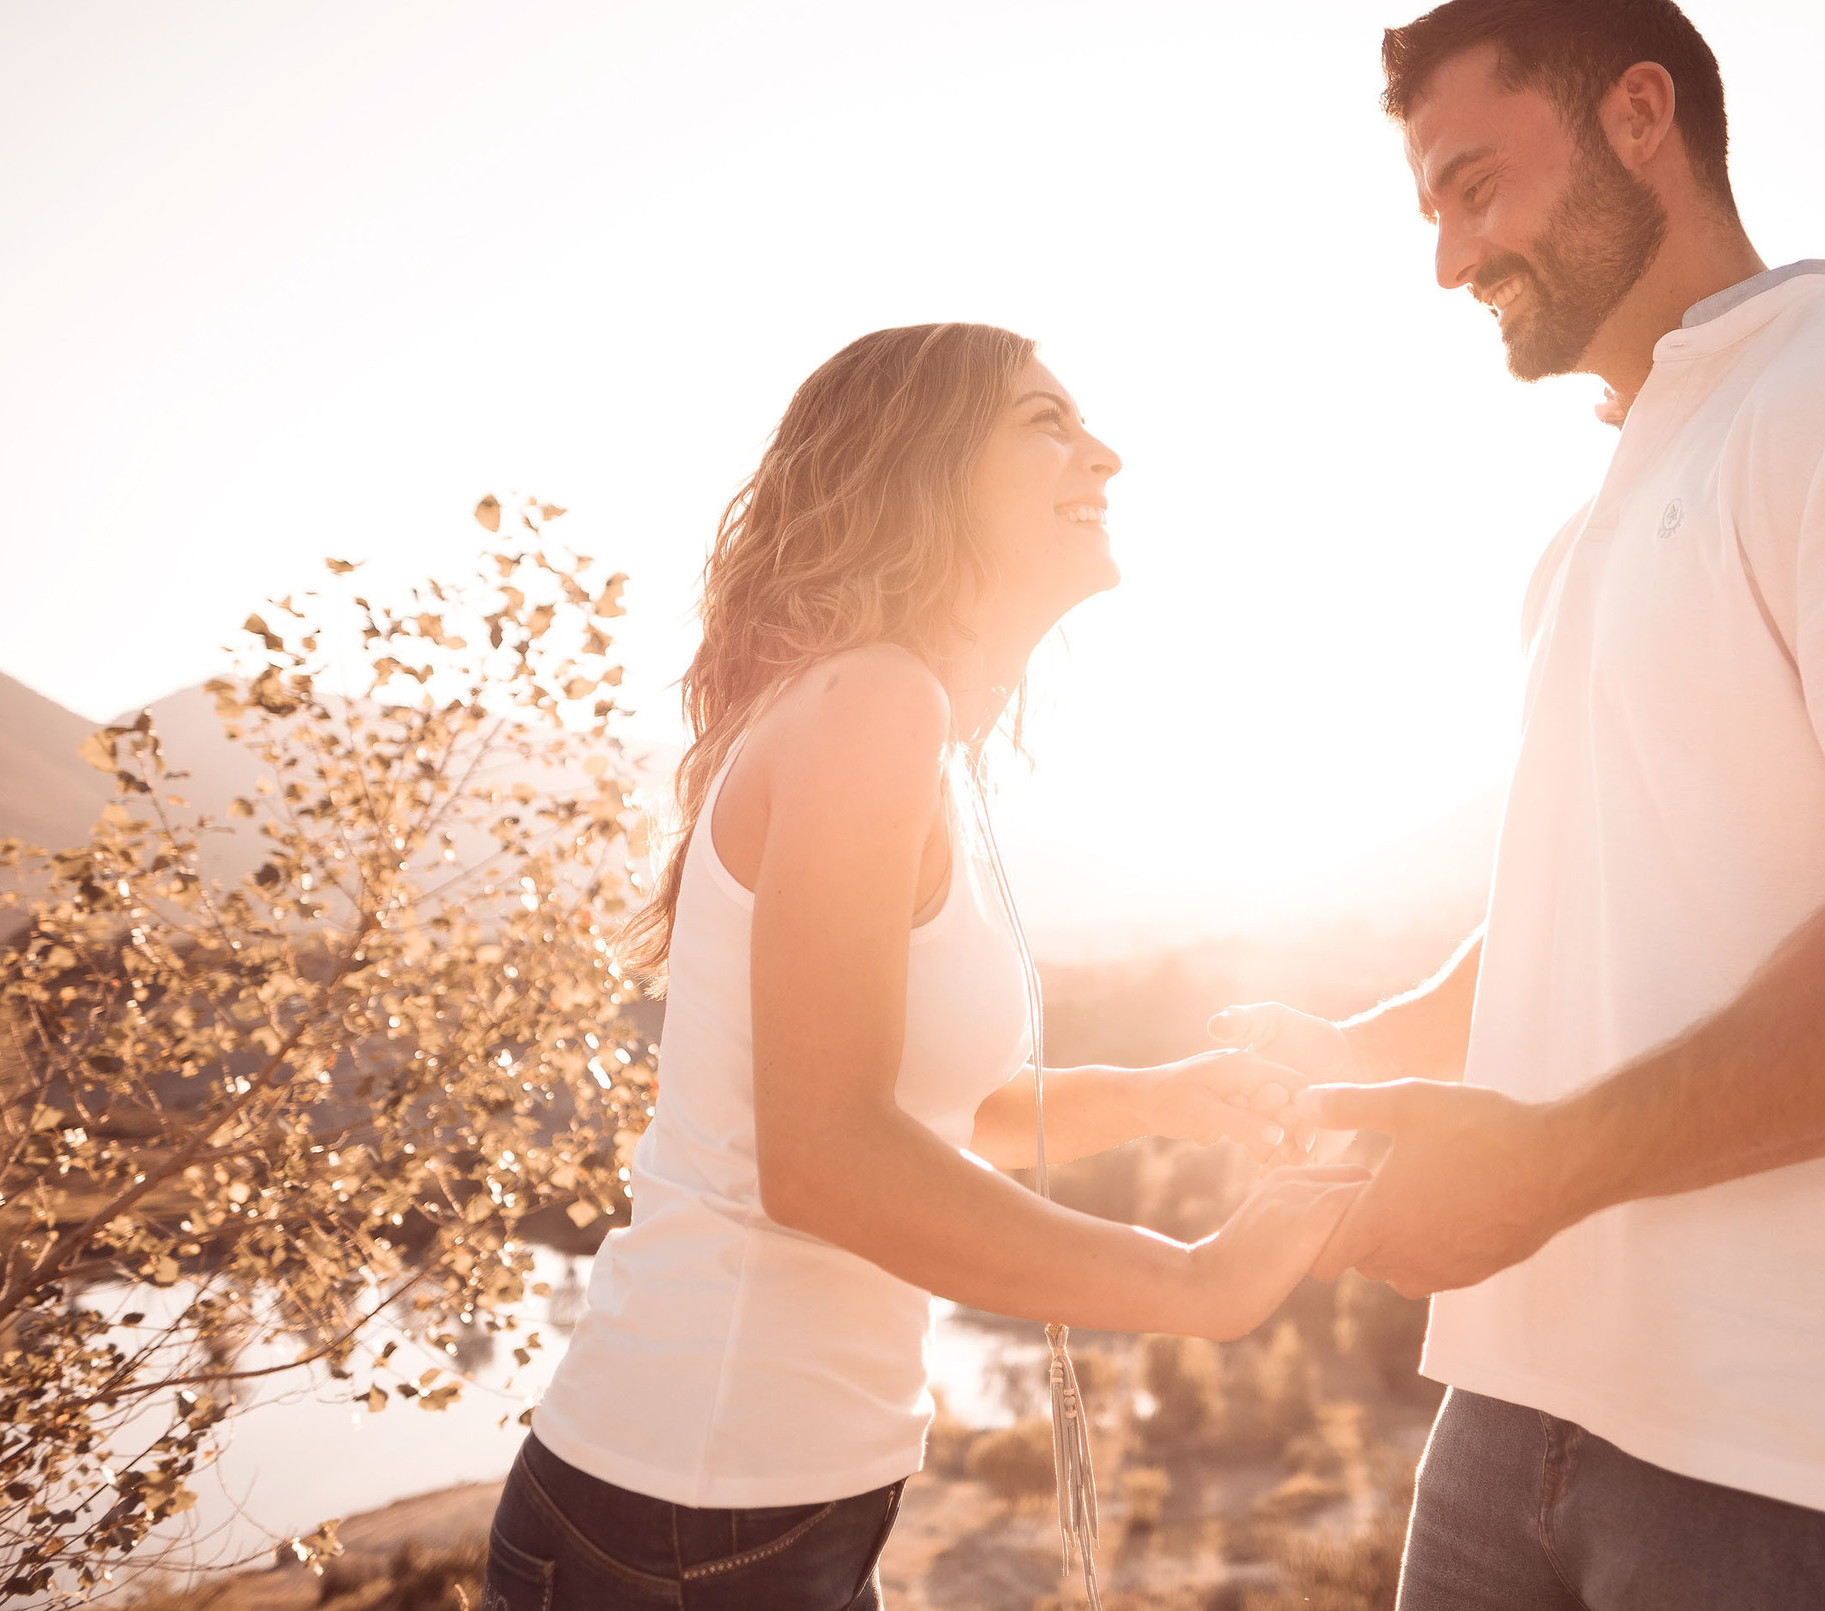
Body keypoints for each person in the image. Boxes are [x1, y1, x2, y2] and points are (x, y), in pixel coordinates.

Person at [1213, 0, 1825, 1611]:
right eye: (1427, 211)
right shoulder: (1588, 534)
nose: (1447, 259)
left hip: (1803, 1446)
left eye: (1474, 183)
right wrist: (1378, 1053)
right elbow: (1603, 905)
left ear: (1639, 114)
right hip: (1519, 1401)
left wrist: (1552, 1162)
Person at [486, 323, 1366, 1611]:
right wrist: (1194, 1285)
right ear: (924, 471)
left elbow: (919, 1119)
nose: (1105, 455)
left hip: (770, 1515)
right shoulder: (874, 707)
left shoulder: (916, 730)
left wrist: (1158, 1096)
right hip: (683, 1520)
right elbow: (828, 1161)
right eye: (1046, 423)